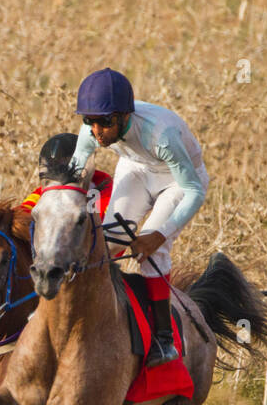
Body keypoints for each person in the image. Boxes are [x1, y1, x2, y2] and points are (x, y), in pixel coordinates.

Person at [68, 68, 209, 366]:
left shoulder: (162, 135)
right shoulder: (93, 129)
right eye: (89, 121)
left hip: (178, 181)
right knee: (107, 244)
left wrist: (160, 234)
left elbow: (194, 191)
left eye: (105, 123)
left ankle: (164, 339)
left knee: (152, 252)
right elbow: (75, 175)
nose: (96, 131)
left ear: (122, 116)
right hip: (136, 168)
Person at [17, 133, 114, 220]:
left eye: (66, 162)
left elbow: (103, 223)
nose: (60, 169)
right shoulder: (43, 192)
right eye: (55, 164)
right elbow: (21, 214)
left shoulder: (105, 191)